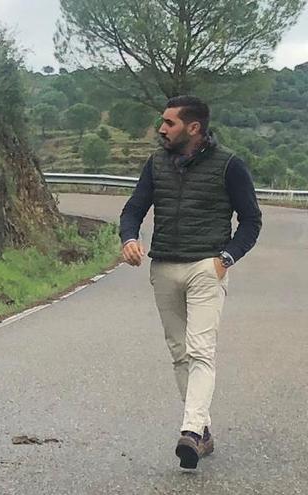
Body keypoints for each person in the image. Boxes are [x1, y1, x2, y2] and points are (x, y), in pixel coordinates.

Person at [119, 95, 262, 469]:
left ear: (193, 128)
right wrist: (129, 239)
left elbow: (251, 220)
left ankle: (191, 433)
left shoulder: (229, 165)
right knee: (179, 353)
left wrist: (225, 259)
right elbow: (134, 207)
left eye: (169, 123)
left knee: (201, 350)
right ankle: (203, 430)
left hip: (205, 266)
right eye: (162, 123)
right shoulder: (155, 163)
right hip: (163, 267)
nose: (161, 129)